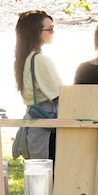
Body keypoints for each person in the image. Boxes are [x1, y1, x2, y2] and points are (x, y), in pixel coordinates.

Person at [14, 10, 63, 160]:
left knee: (37, 177)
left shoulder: (25, 58)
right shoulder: (40, 60)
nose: (53, 32)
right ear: (36, 32)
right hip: (45, 129)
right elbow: (62, 95)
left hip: (33, 124)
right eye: (50, 29)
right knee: (49, 177)